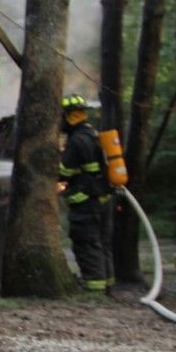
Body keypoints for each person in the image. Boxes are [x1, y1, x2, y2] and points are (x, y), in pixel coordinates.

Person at [59, 94, 114, 292]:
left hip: (86, 202)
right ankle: (106, 286)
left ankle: (94, 288)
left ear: (69, 116)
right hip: (102, 199)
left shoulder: (77, 140)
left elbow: (63, 172)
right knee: (102, 244)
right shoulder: (92, 134)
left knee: (87, 245)